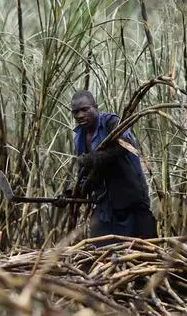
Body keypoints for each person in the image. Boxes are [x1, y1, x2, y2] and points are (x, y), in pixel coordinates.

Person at [56, 90, 158, 244]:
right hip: (104, 208)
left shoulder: (111, 122)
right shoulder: (79, 137)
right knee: (99, 255)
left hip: (131, 204)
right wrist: (70, 195)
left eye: (85, 109)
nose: (80, 115)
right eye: (75, 112)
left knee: (143, 251)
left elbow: (125, 146)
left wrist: (95, 158)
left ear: (96, 107)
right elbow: (86, 177)